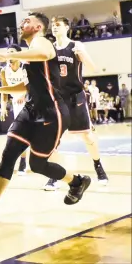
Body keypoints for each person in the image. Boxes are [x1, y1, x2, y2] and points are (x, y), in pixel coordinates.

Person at [0, 12, 91, 223]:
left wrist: (8, 56)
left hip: (52, 112)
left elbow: (45, 54)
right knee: (9, 152)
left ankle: (76, 182)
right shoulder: (31, 54)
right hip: (30, 110)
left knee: (38, 165)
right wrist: (1, 89)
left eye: (28, 21)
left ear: (39, 27)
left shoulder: (42, 42)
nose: (22, 23)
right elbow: (28, 86)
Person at [43, 16, 109, 190]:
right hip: (58, 98)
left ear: (67, 28)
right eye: (53, 25)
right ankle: (55, 176)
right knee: (53, 140)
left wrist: (83, 54)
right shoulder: (49, 50)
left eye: (58, 25)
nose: (55, 28)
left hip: (76, 97)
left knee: (87, 136)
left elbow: (93, 68)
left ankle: (99, 167)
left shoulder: (76, 46)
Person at [0, 44, 28, 175]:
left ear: (18, 54)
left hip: (32, 101)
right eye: (7, 52)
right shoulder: (4, 71)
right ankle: (23, 161)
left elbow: (34, 84)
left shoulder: (25, 66)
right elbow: (4, 91)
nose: (9, 54)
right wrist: (3, 108)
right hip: (17, 104)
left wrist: (24, 94)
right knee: (20, 134)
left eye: (12, 52)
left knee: (36, 134)